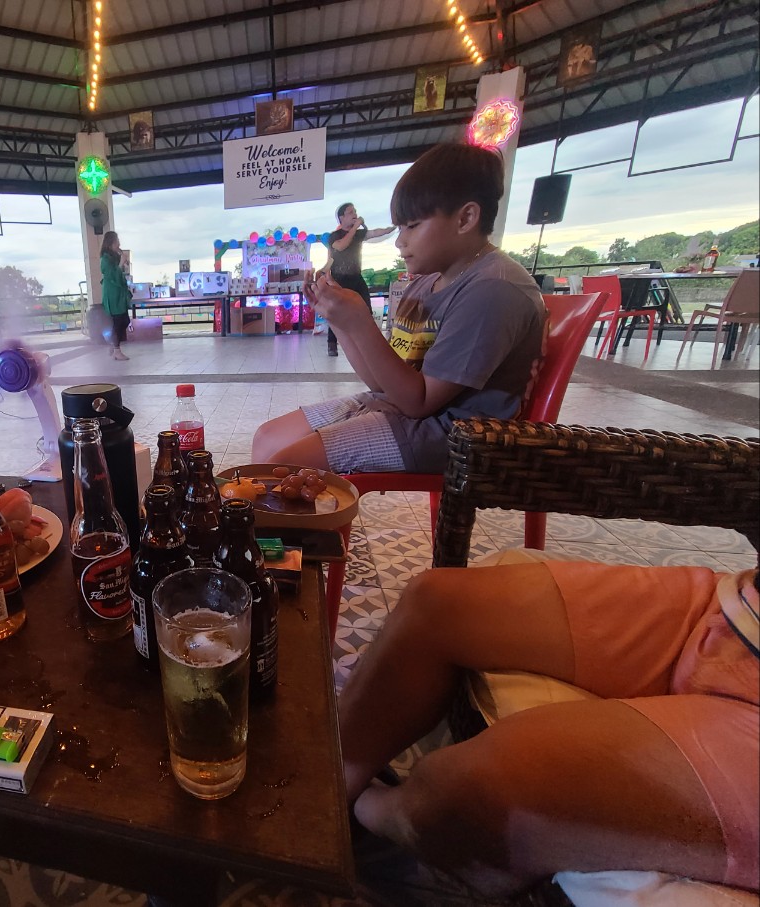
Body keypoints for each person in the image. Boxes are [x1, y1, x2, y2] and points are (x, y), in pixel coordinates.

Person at [340, 560, 759, 897]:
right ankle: (335, 790)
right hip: (738, 609)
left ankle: (362, 812)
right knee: (434, 603)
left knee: (485, 785)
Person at [252, 143, 546, 476]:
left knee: (282, 467)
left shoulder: (493, 289)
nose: (399, 241)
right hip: (407, 408)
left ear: (466, 218)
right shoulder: (426, 283)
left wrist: (360, 322)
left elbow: (417, 402)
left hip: (456, 433)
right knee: (268, 440)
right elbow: (381, 384)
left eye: (412, 225)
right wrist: (340, 321)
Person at [321, 203, 395, 356]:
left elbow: (374, 233)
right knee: (337, 312)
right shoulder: (335, 236)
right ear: (341, 217)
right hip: (339, 279)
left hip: (356, 277)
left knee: (366, 309)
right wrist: (355, 228)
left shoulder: (359, 234)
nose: (354, 214)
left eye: (355, 211)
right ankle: (332, 344)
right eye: (350, 212)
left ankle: (369, 342)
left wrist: (390, 228)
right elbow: (341, 246)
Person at [100, 231, 132, 361]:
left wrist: (124, 262)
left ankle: (113, 344)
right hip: (113, 295)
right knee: (118, 321)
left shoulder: (114, 256)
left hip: (119, 294)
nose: (119, 243)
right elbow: (112, 275)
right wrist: (120, 264)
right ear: (111, 243)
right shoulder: (105, 258)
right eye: (117, 241)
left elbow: (121, 272)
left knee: (125, 320)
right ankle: (116, 349)